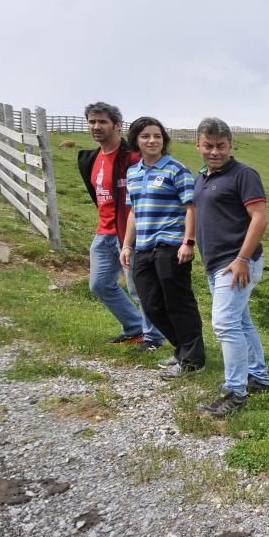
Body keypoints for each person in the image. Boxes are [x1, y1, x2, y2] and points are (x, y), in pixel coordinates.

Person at [193, 117, 269, 418]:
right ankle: (259, 377)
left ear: (230, 146)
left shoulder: (244, 175)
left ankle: (235, 393)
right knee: (240, 321)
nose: (215, 151)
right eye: (209, 146)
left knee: (225, 324)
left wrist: (241, 259)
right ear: (198, 145)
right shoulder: (202, 178)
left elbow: (259, 218)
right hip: (215, 264)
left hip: (236, 262)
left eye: (221, 146)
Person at [119, 117, 206, 378]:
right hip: (143, 247)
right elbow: (134, 210)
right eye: (146, 136)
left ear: (163, 139)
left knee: (178, 303)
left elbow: (191, 207)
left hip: (171, 245)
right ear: (136, 140)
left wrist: (188, 242)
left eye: (157, 136)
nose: (152, 140)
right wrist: (126, 245)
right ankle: (182, 350)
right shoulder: (132, 173)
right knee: (151, 303)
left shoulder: (176, 169)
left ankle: (193, 361)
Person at [77, 102, 165, 352]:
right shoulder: (91, 158)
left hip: (131, 233)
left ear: (117, 125)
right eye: (92, 122)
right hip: (104, 231)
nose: (96, 126)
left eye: (102, 121)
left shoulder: (132, 158)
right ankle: (135, 327)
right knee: (99, 284)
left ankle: (153, 339)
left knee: (139, 289)